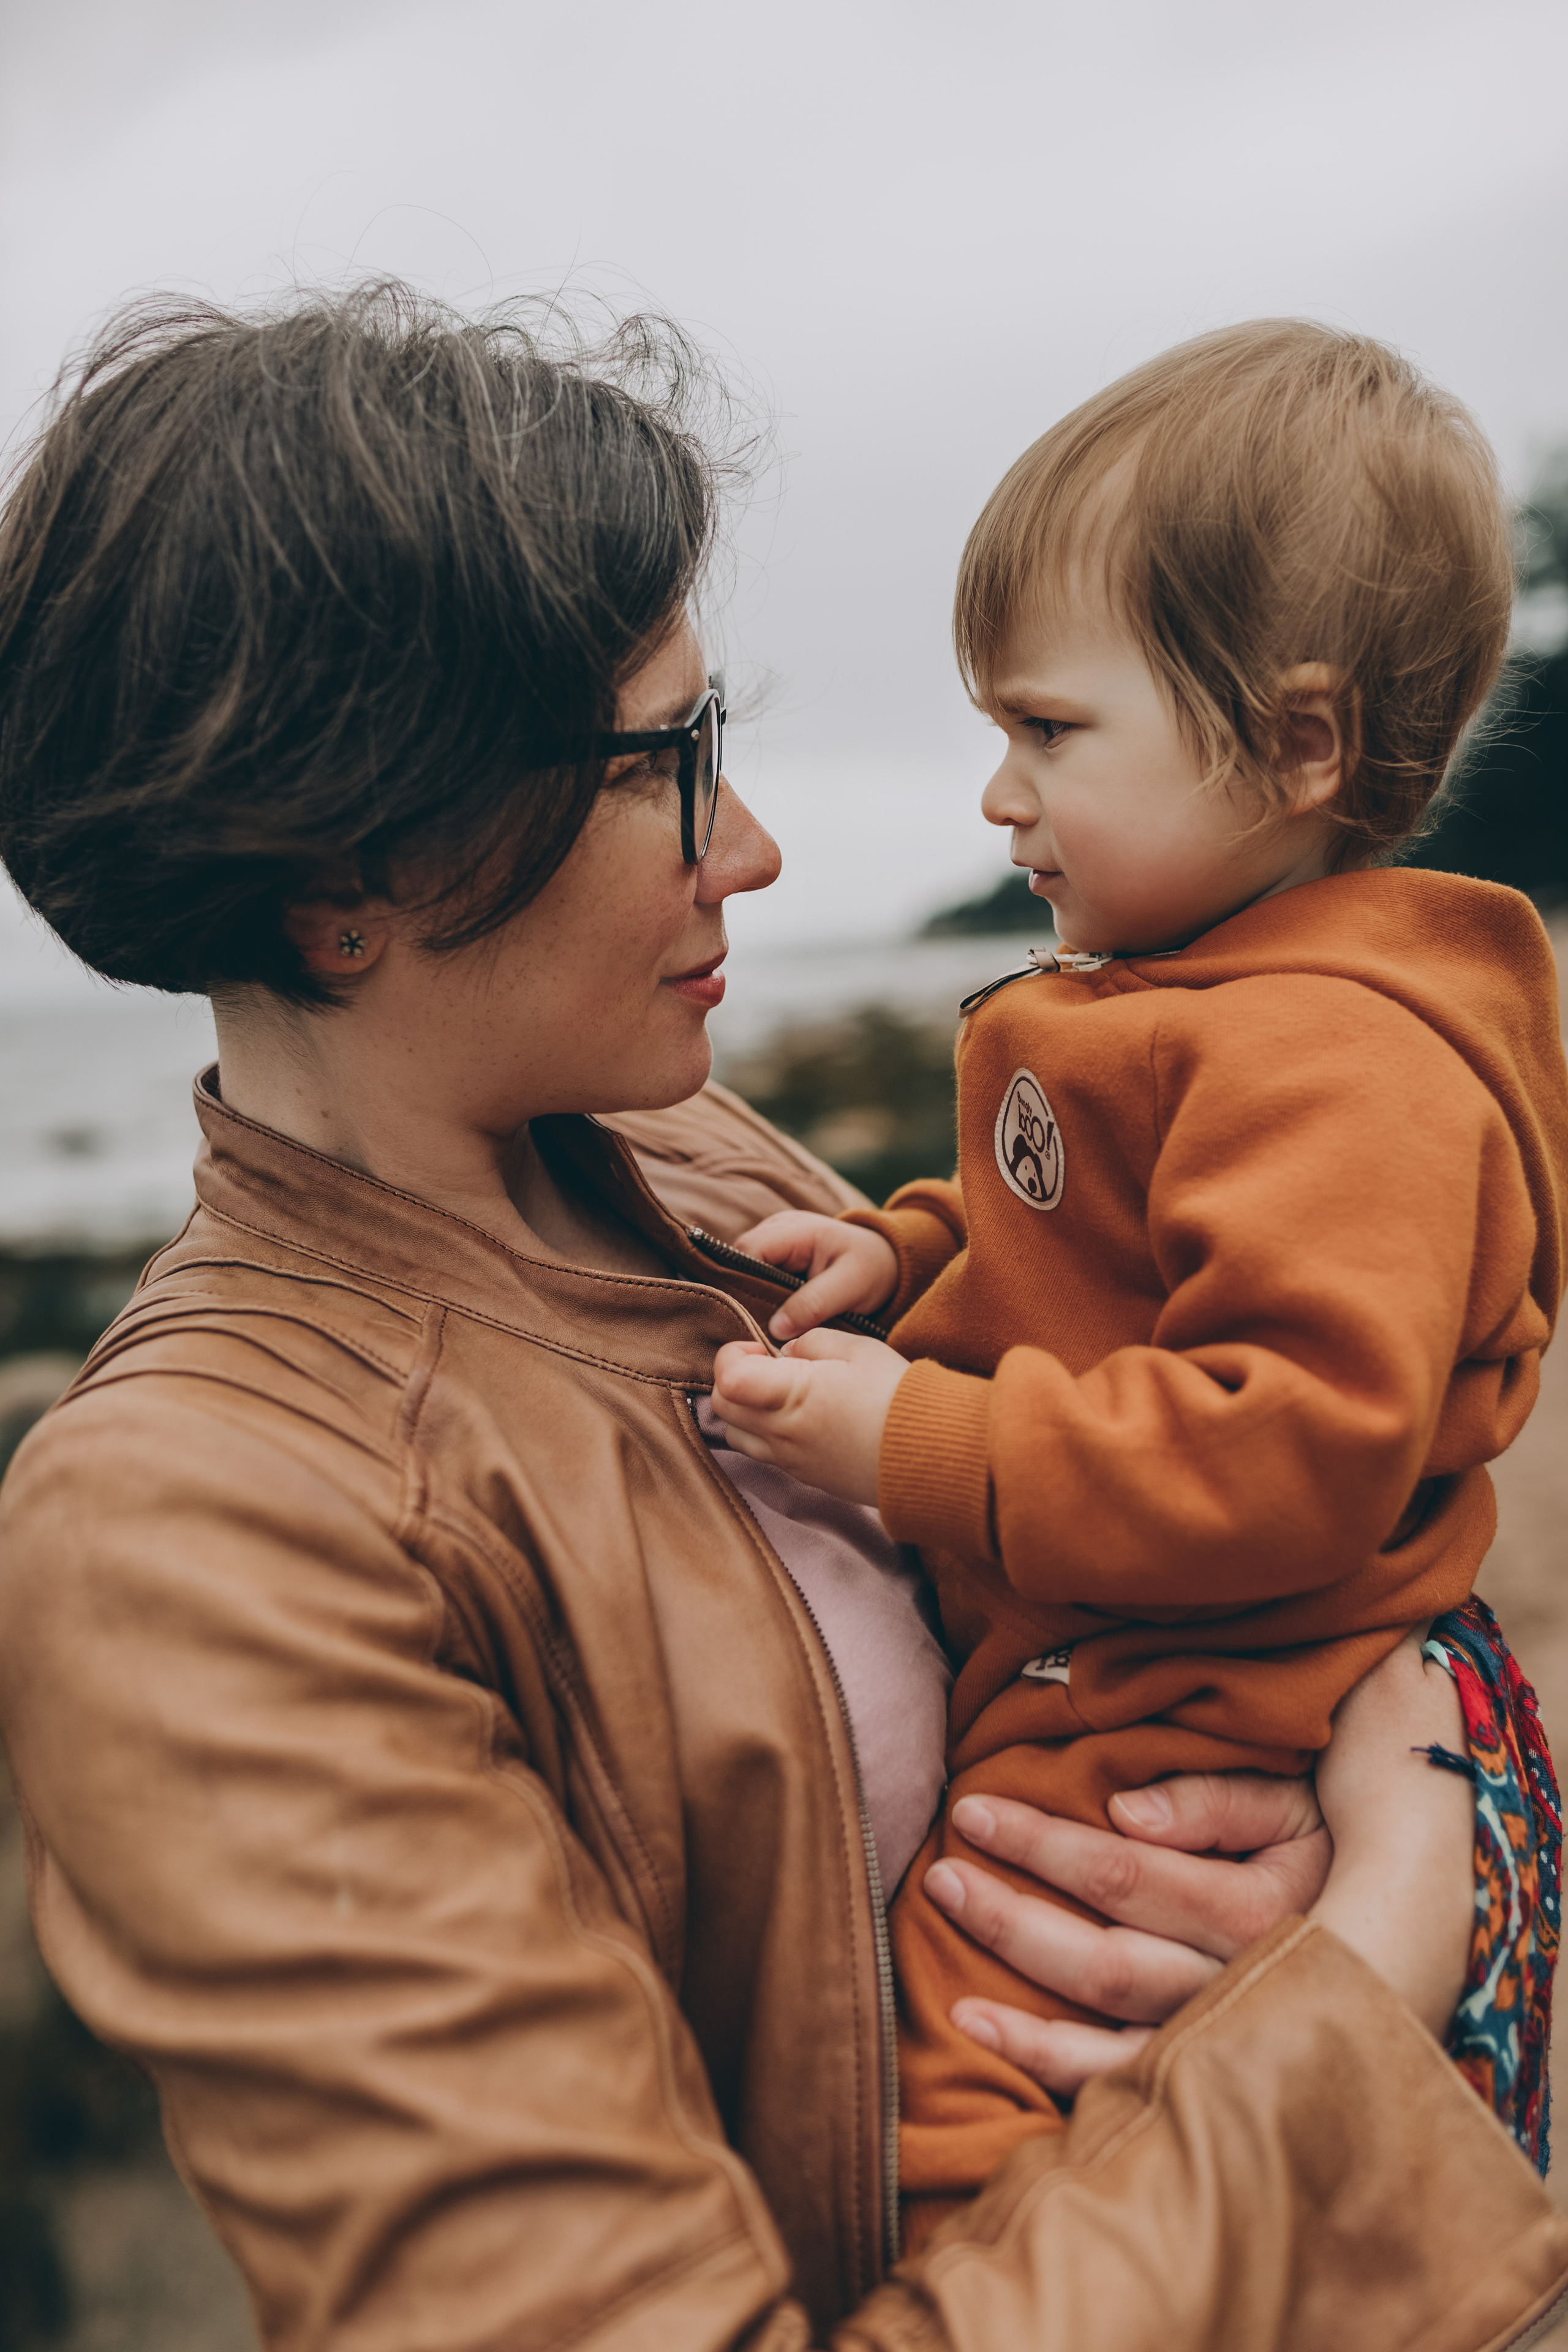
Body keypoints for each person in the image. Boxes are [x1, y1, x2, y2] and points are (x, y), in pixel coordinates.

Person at [0, 288, 1562, 2352]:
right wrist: (1373, 1965)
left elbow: (1244, 1525)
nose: (755, 845)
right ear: (345, 879)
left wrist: (1422, 1823)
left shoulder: (718, 1181)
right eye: (672, 765)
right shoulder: (193, 1530)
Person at [710, 322, 1568, 2245]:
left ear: (1298, 744)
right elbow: (1088, 1258)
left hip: (1184, 1712)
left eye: (1050, 731)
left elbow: (1290, 1444)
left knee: (970, 2094)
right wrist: (907, 1250)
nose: (1000, 797)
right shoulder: (1191, 1009)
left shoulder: (1338, 1064)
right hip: (1114, 1666)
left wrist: (909, 1438)